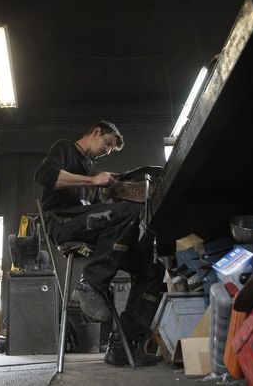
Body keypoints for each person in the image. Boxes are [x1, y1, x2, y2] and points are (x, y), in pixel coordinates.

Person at [34, 120, 165, 366]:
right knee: (126, 213)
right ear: (96, 131)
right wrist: (94, 182)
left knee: (152, 270)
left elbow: (97, 215)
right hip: (62, 223)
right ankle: (90, 284)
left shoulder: (89, 167)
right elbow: (45, 175)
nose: (107, 150)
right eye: (107, 143)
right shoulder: (65, 149)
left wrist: (110, 194)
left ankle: (121, 346)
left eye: (111, 149)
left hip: (87, 228)